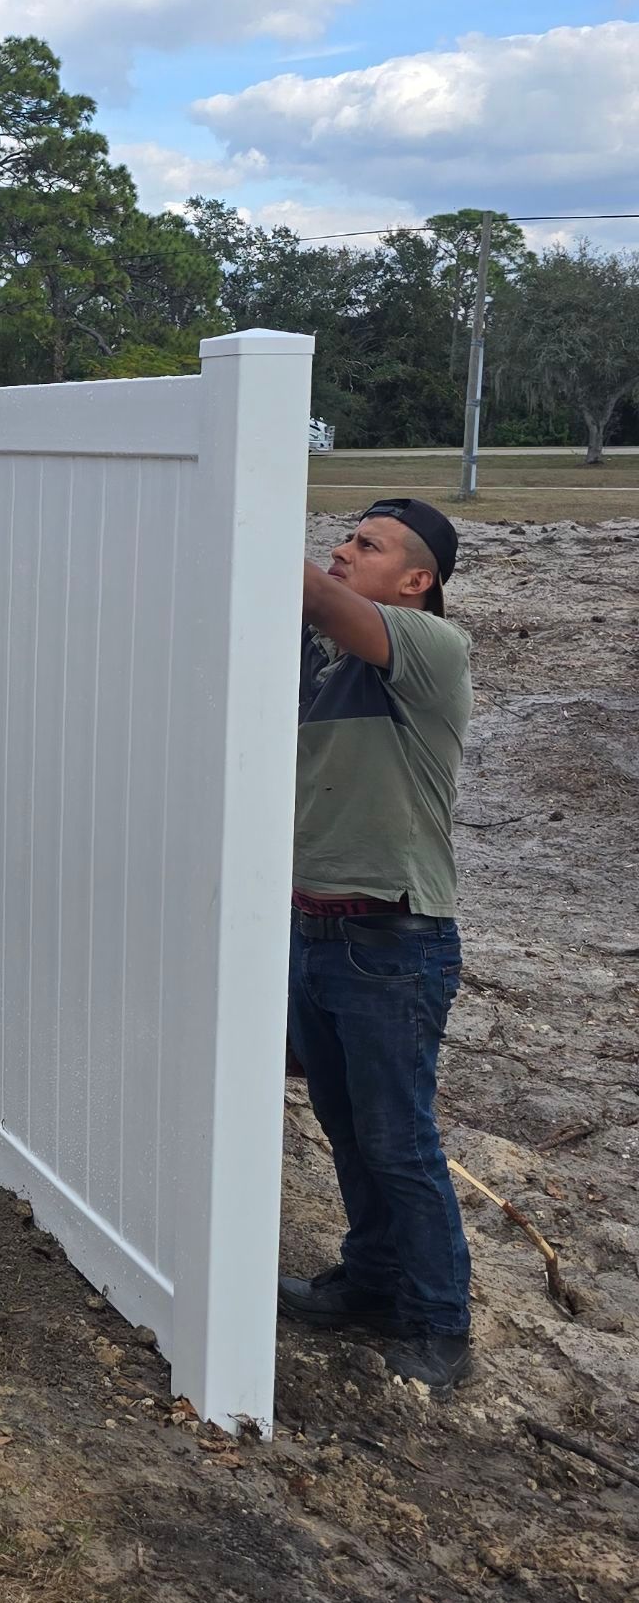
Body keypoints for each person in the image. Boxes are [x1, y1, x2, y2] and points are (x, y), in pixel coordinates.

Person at [281, 497, 474, 1395]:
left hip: (395, 939)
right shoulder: (319, 669)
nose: (343, 551)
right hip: (315, 928)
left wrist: (242, 518)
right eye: (344, 539)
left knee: (400, 1141)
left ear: (417, 579)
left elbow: (312, 596)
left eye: (368, 544)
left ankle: (439, 1322)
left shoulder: (433, 653)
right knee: (349, 1130)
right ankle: (370, 1285)